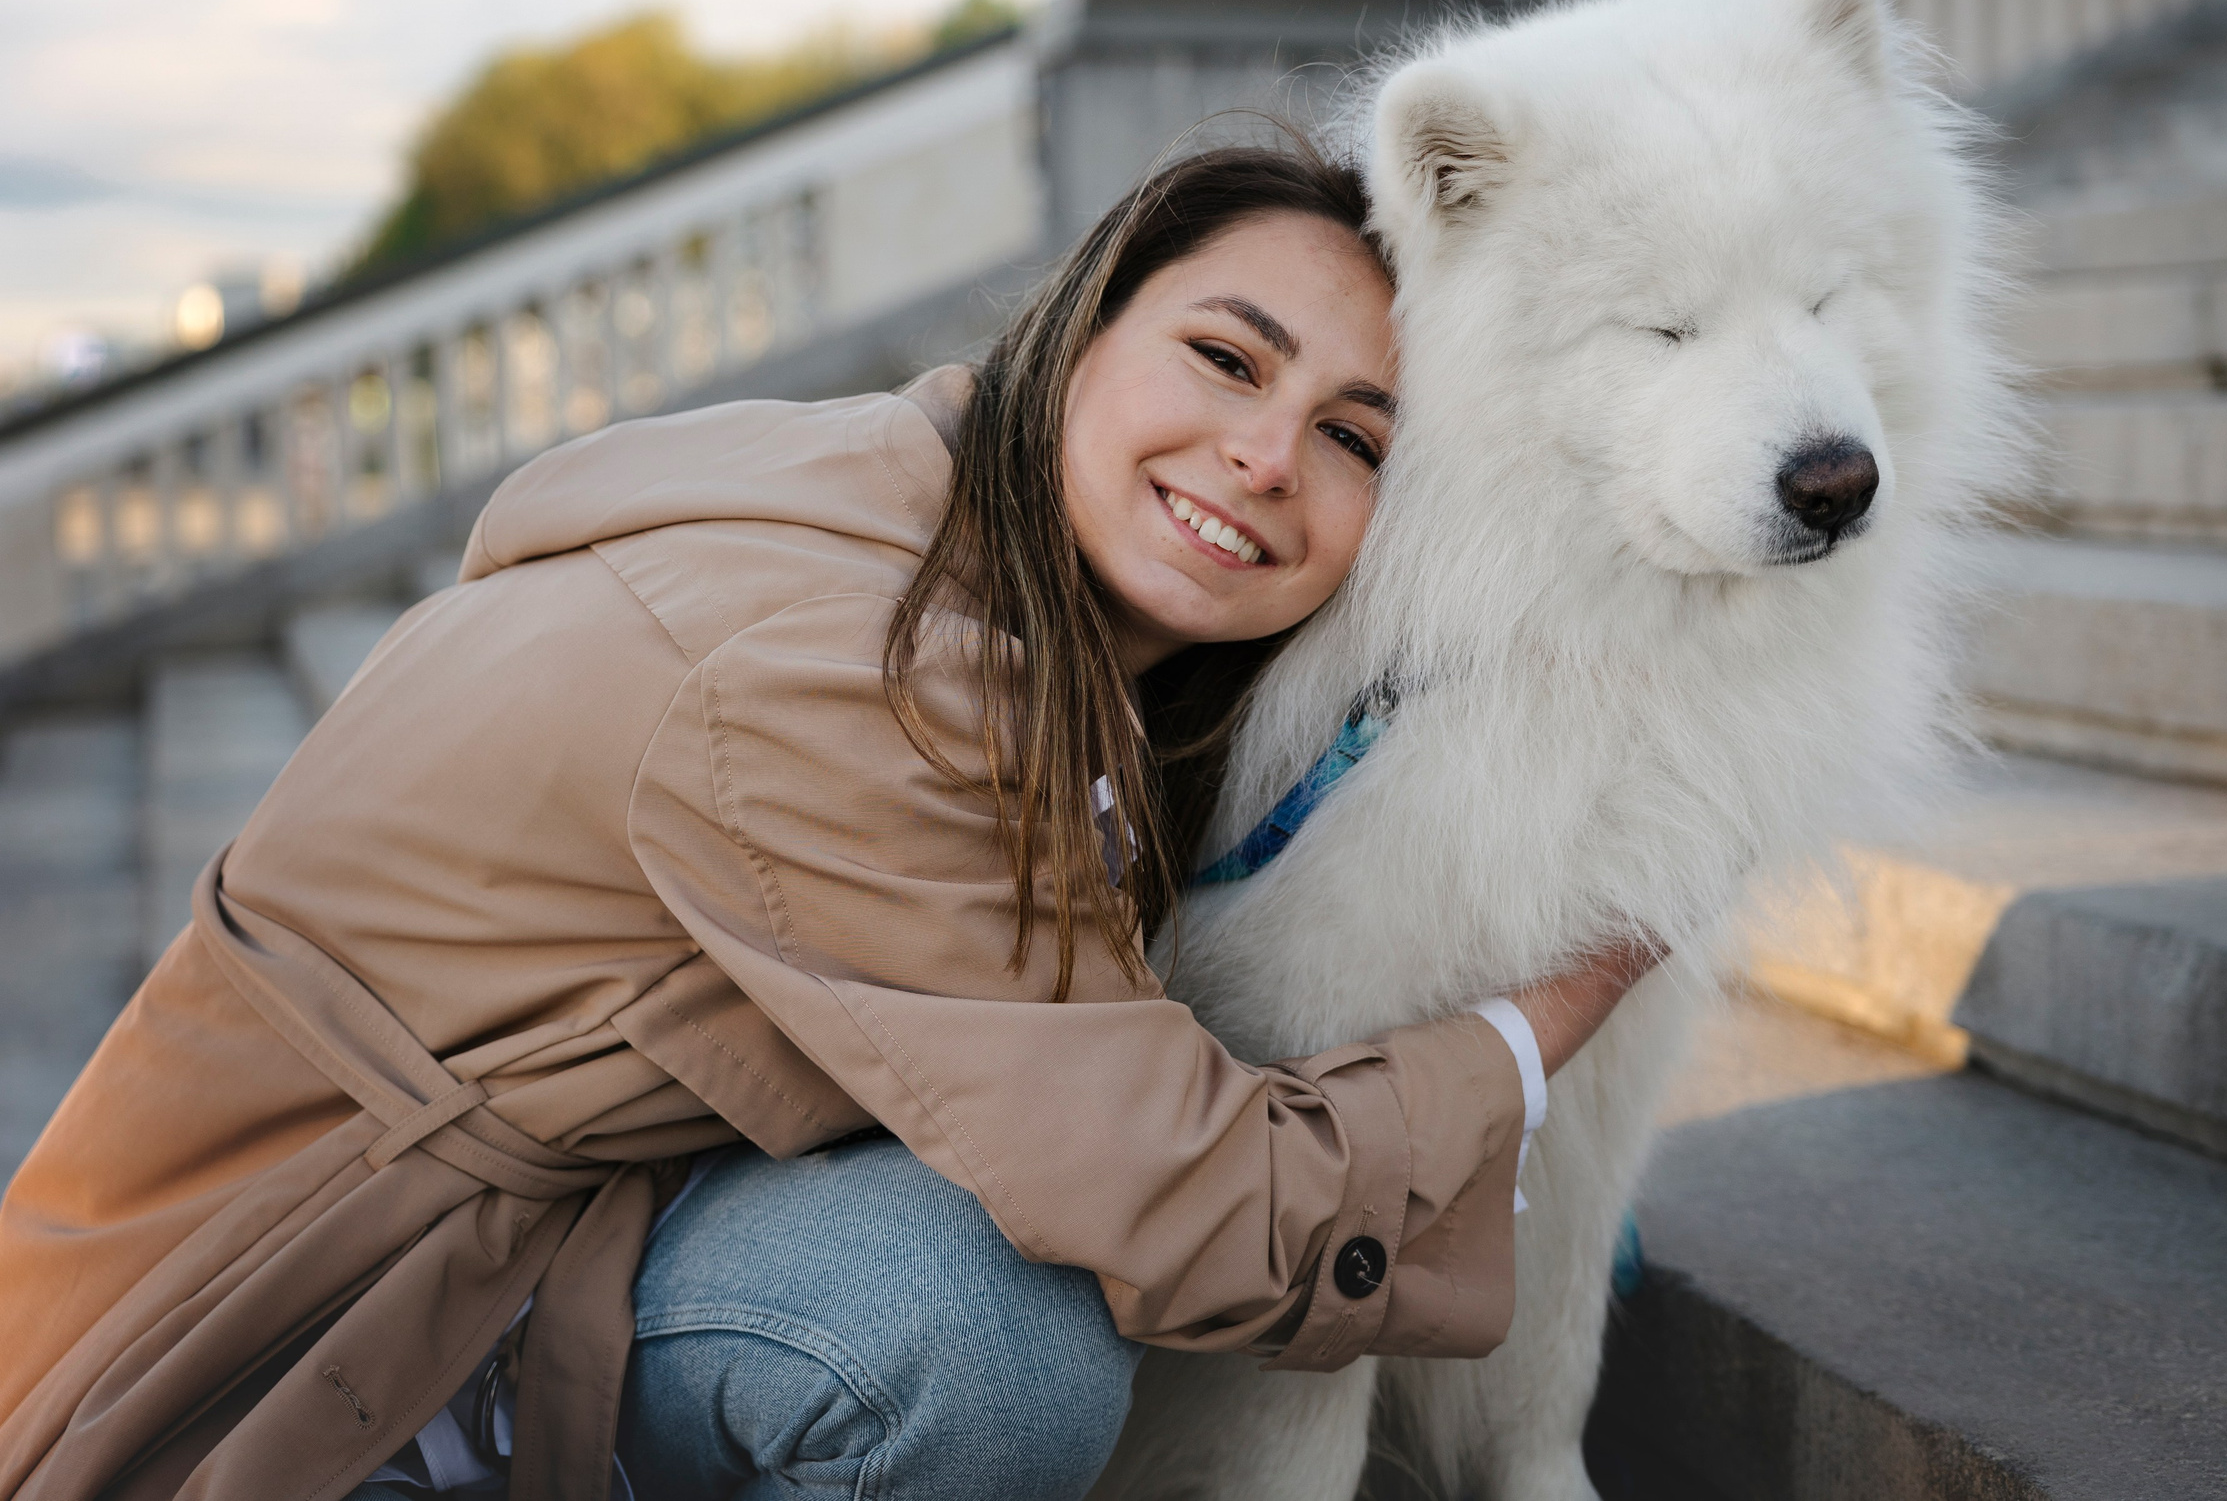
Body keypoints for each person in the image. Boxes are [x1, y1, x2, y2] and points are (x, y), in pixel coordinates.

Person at [0, 147, 1657, 1501]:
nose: (1267, 455)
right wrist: (1578, 979)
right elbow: (1201, 1203)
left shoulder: (914, 507)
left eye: (1355, 439)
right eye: (1227, 359)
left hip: (522, 1239)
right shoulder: (866, 682)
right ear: (1081, 332)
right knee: (972, 1322)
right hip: (266, 1359)